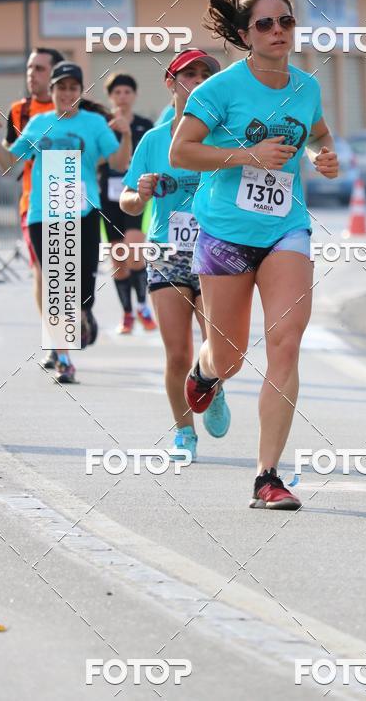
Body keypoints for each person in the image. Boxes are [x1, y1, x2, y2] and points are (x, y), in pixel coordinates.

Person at [170, 0, 339, 510]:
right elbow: (182, 151)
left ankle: (267, 476)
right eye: (265, 24)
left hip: (286, 228)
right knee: (232, 355)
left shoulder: (307, 87)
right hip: (225, 231)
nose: (278, 31)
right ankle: (205, 372)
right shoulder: (219, 89)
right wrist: (247, 154)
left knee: (286, 340)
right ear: (244, 35)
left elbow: (319, 135)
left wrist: (323, 156)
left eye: (285, 21)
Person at [0, 61, 131, 383]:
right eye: (60, 87)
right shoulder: (38, 123)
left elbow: (120, 162)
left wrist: (126, 134)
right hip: (43, 213)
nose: (66, 93)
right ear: (51, 92)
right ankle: (63, 359)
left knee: (80, 293)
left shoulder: (93, 124)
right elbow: (10, 165)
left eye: (72, 88)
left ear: (80, 92)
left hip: (84, 213)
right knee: (56, 286)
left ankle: (82, 315)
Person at [120, 48, 228, 459]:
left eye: (205, 75)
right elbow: (128, 201)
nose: (198, 81)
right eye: (189, 75)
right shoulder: (152, 141)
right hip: (166, 250)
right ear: (171, 83)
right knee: (177, 351)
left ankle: (210, 383)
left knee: (217, 344)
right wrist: (140, 192)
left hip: (214, 249)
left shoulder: (222, 134)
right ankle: (184, 431)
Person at [4, 47, 64, 367]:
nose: (32, 74)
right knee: (43, 271)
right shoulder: (18, 112)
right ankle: (54, 340)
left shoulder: (75, 110)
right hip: (34, 202)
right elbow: (10, 157)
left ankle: (77, 318)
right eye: (30, 67)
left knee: (68, 272)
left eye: (40, 68)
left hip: (71, 202)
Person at [98, 73, 156, 334]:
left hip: (136, 197)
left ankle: (143, 306)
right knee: (118, 259)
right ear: (110, 96)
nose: (122, 97)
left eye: (127, 92)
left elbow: (154, 156)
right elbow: (94, 159)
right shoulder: (102, 125)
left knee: (134, 250)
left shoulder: (144, 125)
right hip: (108, 197)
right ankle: (127, 313)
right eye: (117, 92)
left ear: (134, 96)